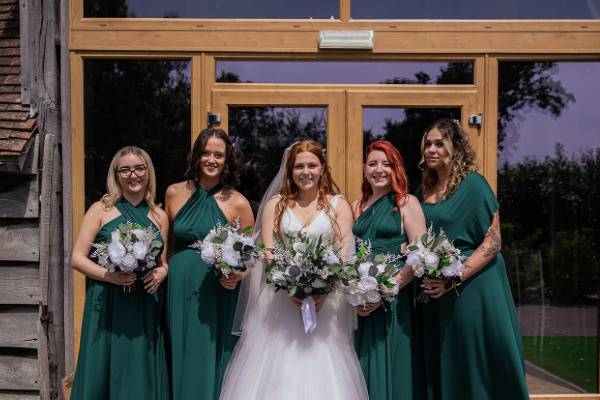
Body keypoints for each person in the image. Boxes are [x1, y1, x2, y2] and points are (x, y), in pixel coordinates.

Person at [220, 140, 368, 400]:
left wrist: (324, 290)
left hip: (326, 304)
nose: (306, 172)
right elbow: (269, 252)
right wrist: (291, 289)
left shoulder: (338, 205)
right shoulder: (276, 205)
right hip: (282, 301)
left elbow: (345, 253)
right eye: (299, 166)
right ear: (290, 171)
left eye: (312, 165)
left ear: (322, 168)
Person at [415, 119, 529, 400]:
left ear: (455, 148)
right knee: (449, 356)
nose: (431, 149)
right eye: (428, 144)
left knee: (474, 356)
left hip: (475, 284)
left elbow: (493, 241)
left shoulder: (474, 184)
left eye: (439, 143)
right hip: (438, 290)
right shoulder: (423, 191)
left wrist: (454, 278)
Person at [71, 146, 170, 400]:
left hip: (142, 303)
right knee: (101, 367)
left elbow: (163, 261)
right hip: (107, 301)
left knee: (137, 369)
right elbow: (77, 259)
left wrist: (162, 272)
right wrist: (109, 276)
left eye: (139, 168)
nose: (132, 175)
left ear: (148, 172)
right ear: (116, 175)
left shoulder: (159, 216)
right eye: (124, 170)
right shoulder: (100, 210)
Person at [165, 127, 253, 400]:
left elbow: (252, 255)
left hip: (218, 287)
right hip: (180, 283)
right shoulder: (173, 193)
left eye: (219, 154)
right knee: (181, 349)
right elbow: (165, 247)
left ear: (227, 160)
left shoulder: (237, 202)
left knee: (211, 352)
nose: (212, 160)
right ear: (196, 156)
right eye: (206, 153)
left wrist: (239, 275)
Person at [353, 140, 426, 400]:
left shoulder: (406, 203)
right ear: (364, 168)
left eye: (386, 164)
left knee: (392, 364)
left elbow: (420, 256)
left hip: (394, 299)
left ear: (396, 169)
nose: (379, 169)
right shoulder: (356, 207)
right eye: (373, 164)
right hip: (361, 302)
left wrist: (386, 289)